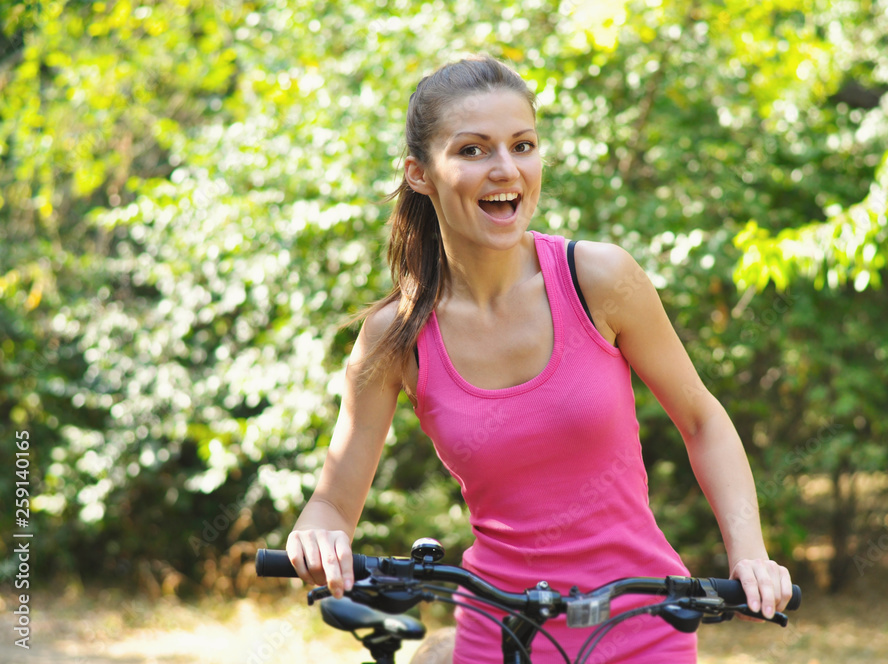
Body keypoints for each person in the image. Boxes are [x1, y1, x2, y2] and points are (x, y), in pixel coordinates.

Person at [286, 55, 793, 663]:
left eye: (522, 146)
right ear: (420, 174)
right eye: (472, 151)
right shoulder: (396, 336)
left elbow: (701, 420)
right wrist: (318, 536)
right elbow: (334, 504)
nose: (506, 170)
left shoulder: (599, 280)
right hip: (498, 632)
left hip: (641, 625)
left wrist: (749, 555)